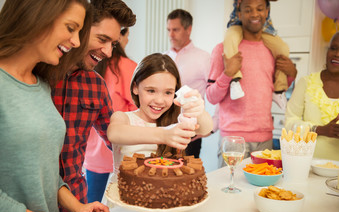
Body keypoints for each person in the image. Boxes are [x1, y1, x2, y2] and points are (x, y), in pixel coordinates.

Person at [0, 0, 111, 212]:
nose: (75, 42)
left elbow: (45, 173)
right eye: (71, 28)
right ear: (36, 16)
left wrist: (78, 208)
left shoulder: (40, 85)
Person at [51, 0, 136, 212]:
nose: (108, 52)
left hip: (76, 204)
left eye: (113, 43)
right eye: (102, 39)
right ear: (80, 28)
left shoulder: (96, 85)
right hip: (33, 205)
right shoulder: (39, 73)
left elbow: (114, 138)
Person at [206, 0, 297, 160]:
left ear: (267, 11)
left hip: (265, 138)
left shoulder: (272, 50)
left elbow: (273, 87)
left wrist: (292, 74)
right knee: (231, 185)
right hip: (233, 139)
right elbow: (212, 97)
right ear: (239, 14)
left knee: (264, 186)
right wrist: (228, 74)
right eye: (248, 10)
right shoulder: (223, 50)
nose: (255, 14)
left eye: (260, 9)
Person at [107, 53, 213, 183]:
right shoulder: (123, 118)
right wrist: (165, 134)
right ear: (135, 87)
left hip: (161, 198)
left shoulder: (175, 122)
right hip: (123, 197)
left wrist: (198, 110)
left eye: (168, 92)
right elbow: (114, 133)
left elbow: (206, 128)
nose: (159, 100)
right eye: (151, 91)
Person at [84, 28, 138, 203]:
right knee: (123, 208)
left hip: (92, 151)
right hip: (121, 150)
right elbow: (138, 112)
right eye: (127, 35)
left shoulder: (88, 66)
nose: (128, 40)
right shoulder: (128, 67)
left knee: (91, 206)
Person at [224, 0, 290, 111]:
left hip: (263, 28)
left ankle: (278, 91)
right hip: (238, 24)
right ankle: (234, 81)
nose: (255, 12)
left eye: (259, 9)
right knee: (229, 39)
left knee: (283, 48)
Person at [285, 32, 339, 161]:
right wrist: (319, 130)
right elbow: (289, 124)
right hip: (307, 165)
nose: (337, 54)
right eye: (333, 48)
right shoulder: (306, 82)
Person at [165, 9, 211, 158]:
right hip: (165, 128)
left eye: (175, 30)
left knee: (187, 176)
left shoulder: (204, 58)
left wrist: (210, 127)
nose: (171, 35)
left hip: (192, 130)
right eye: (169, 30)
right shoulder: (164, 57)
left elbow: (214, 94)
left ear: (188, 29)